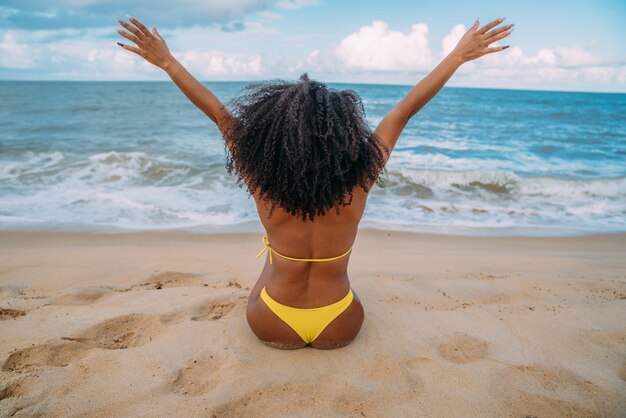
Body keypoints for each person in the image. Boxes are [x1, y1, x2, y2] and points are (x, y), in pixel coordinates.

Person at [116, 15, 514, 349]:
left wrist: (167, 62)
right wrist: (458, 56)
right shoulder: (359, 179)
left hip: (271, 320)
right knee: (335, 283)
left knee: (272, 257)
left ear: (272, 136)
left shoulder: (261, 178)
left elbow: (218, 113)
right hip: (341, 324)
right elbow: (405, 109)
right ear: (341, 131)